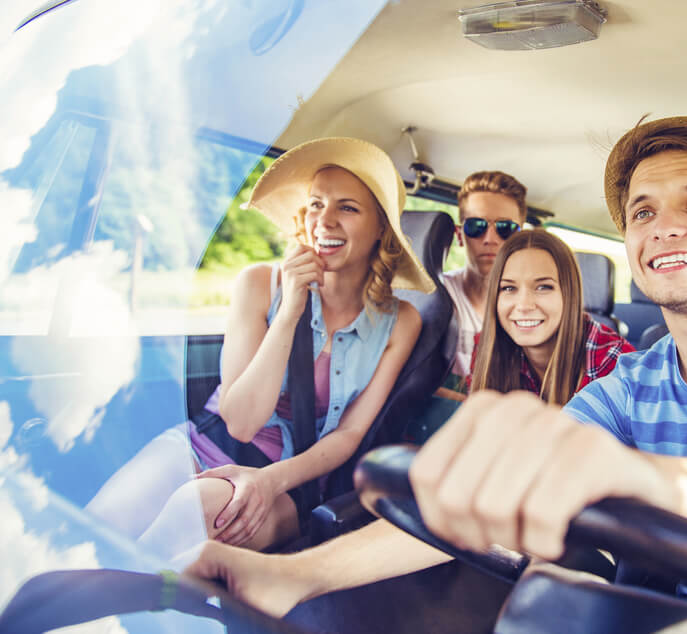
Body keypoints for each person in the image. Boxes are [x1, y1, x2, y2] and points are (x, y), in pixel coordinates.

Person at [187, 117, 687, 632]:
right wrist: (291, 576)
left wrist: (647, 481)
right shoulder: (629, 389)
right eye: (642, 212)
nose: (663, 225)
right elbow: (482, 510)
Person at [87, 137, 433, 555]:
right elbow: (241, 422)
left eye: (348, 207)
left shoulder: (402, 321)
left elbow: (349, 434)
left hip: (288, 480)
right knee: (95, 533)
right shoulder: (257, 284)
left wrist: (269, 482)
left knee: (182, 523)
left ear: (381, 228)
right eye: (317, 204)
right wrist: (289, 312)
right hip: (203, 443)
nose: (325, 220)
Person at [468, 228, 633, 405]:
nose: (524, 305)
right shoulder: (486, 347)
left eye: (543, 287)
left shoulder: (614, 362)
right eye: (508, 288)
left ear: (569, 294)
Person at [437, 170, 528, 400]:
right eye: (476, 226)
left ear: (520, 237)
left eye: (505, 228)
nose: (490, 238)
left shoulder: (533, 310)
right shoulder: (434, 297)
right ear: (459, 235)